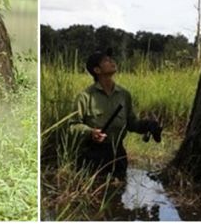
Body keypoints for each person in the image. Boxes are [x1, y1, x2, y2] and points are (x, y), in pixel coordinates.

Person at [68, 49, 161, 179]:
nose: (112, 61)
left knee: (118, 191)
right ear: (97, 70)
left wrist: (148, 125)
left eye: (111, 59)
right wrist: (91, 132)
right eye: (106, 60)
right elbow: (73, 125)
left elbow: (131, 124)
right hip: (93, 154)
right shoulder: (85, 97)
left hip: (118, 154)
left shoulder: (124, 95)